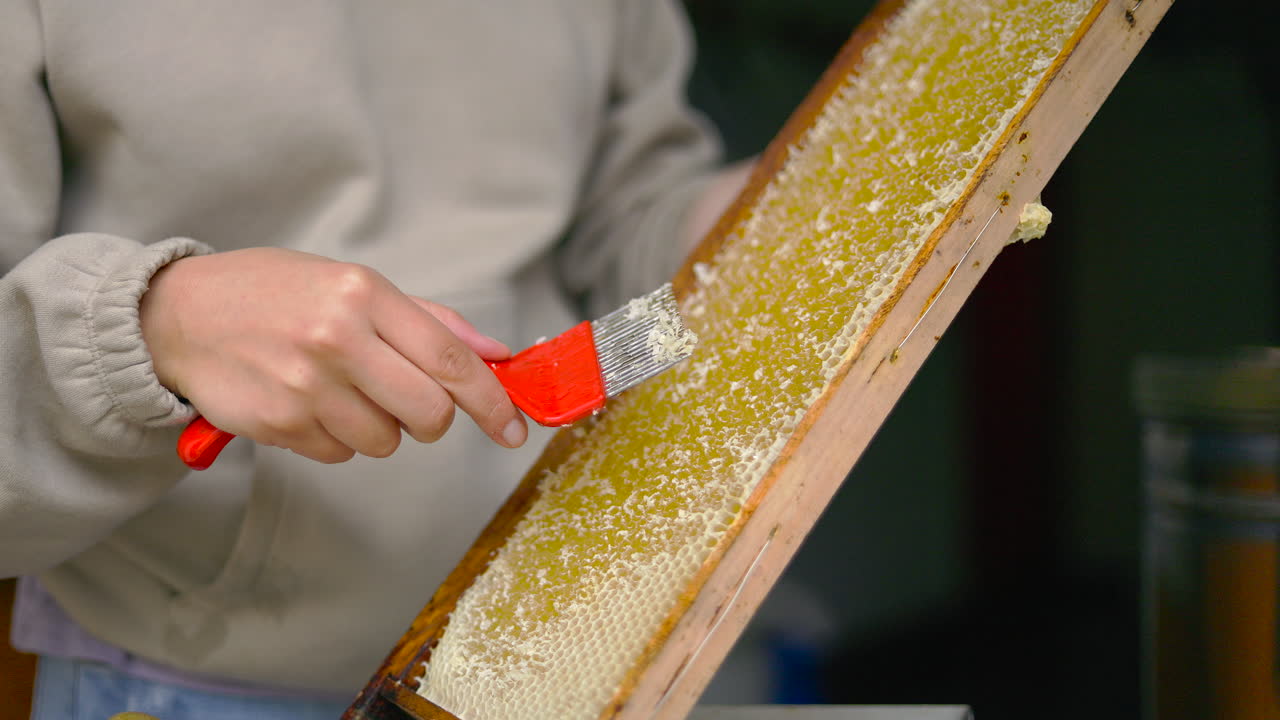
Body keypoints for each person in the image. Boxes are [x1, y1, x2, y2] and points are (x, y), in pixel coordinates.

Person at [0, 3, 751, 718]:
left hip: (560, 650)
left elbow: (624, 224)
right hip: (206, 680)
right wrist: (152, 330)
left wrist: (780, 221)